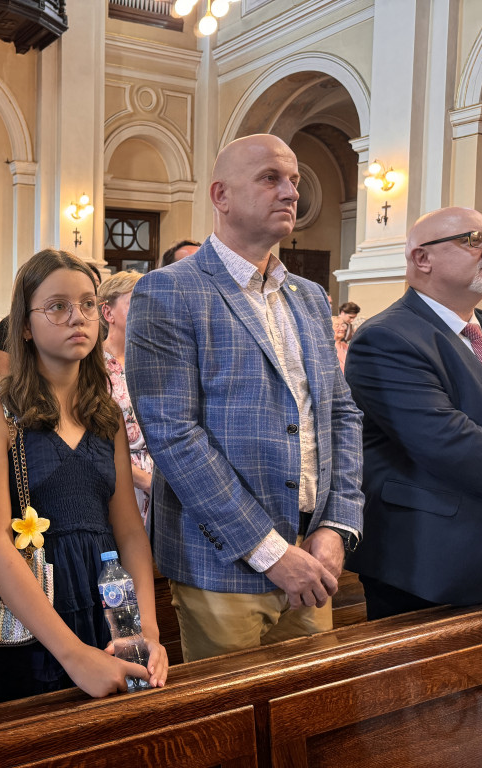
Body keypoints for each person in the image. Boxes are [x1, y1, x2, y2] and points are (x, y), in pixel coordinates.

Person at [127, 134, 364, 662]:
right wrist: (271, 552)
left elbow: (340, 413)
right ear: (221, 196)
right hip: (223, 561)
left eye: (295, 180)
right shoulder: (169, 291)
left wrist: (336, 526)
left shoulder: (307, 295)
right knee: (231, 726)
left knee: (309, 712)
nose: (290, 192)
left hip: (312, 553)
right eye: (270, 178)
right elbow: (174, 436)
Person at [0, 248, 168, 713]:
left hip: (103, 601)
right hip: (27, 614)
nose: (78, 318)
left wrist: (143, 630)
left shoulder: (104, 415)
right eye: (58, 306)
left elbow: (127, 532)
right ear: (25, 325)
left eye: (87, 304)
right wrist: (71, 653)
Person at [345, 207, 482, 619]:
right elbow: (447, 441)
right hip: (437, 564)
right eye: (474, 239)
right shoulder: (387, 337)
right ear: (422, 259)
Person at [97, 271, 154, 526]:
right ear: (108, 313)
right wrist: (143, 480)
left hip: (161, 481)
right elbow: (93, 441)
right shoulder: (93, 367)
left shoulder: (153, 361)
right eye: (136, 302)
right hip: (118, 480)